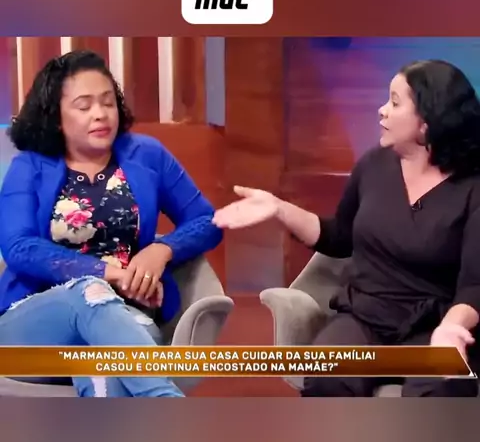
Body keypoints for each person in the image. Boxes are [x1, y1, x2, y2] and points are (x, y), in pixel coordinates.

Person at [213, 59, 480, 397]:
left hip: (434, 324)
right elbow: (340, 237)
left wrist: (452, 329)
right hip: (365, 316)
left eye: (395, 103)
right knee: (329, 376)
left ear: (426, 123)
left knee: (438, 390)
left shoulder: (473, 187)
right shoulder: (373, 166)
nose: (382, 110)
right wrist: (280, 209)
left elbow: (474, 285)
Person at [0, 50, 223, 397]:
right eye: (84, 106)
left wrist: (161, 250)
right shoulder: (30, 166)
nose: (100, 114)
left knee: (106, 365)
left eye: (107, 102)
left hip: (124, 318)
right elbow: (19, 247)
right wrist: (111, 275)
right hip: (34, 323)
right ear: (55, 116)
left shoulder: (147, 155)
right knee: (87, 293)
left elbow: (208, 220)